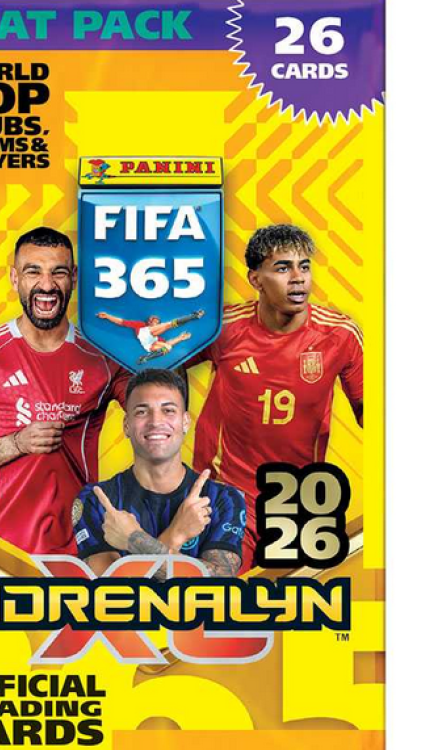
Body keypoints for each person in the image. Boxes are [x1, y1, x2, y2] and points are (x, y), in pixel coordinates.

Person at [0, 227, 127, 555]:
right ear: (15, 278)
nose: (47, 285)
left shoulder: (104, 356)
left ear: (74, 277)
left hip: (80, 549)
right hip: (1, 546)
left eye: (58, 272)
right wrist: (16, 443)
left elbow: (159, 415)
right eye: (33, 272)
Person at [187, 224, 363, 572]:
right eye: (283, 268)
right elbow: (161, 361)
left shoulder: (339, 335)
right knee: (214, 581)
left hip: (299, 500)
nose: (298, 278)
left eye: (304, 266)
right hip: (228, 495)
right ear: (256, 279)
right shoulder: (223, 327)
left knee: (290, 596)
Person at [72, 368, 245, 576]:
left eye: (168, 410)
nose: (155, 422)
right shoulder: (96, 500)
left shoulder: (224, 499)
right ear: (126, 425)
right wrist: (176, 534)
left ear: (185, 422)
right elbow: (112, 590)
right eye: (142, 412)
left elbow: (220, 584)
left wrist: (134, 539)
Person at [96, 309, 206, 364]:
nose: (156, 323)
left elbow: (168, 343)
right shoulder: (141, 325)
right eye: (154, 321)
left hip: (148, 345)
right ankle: (194, 316)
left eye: (157, 322)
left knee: (168, 347)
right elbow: (122, 322)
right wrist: (108, 316)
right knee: (168, 325)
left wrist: (180, 338)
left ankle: (145, 358)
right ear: (150, 321)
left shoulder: (158, 337)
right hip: (144, 333)